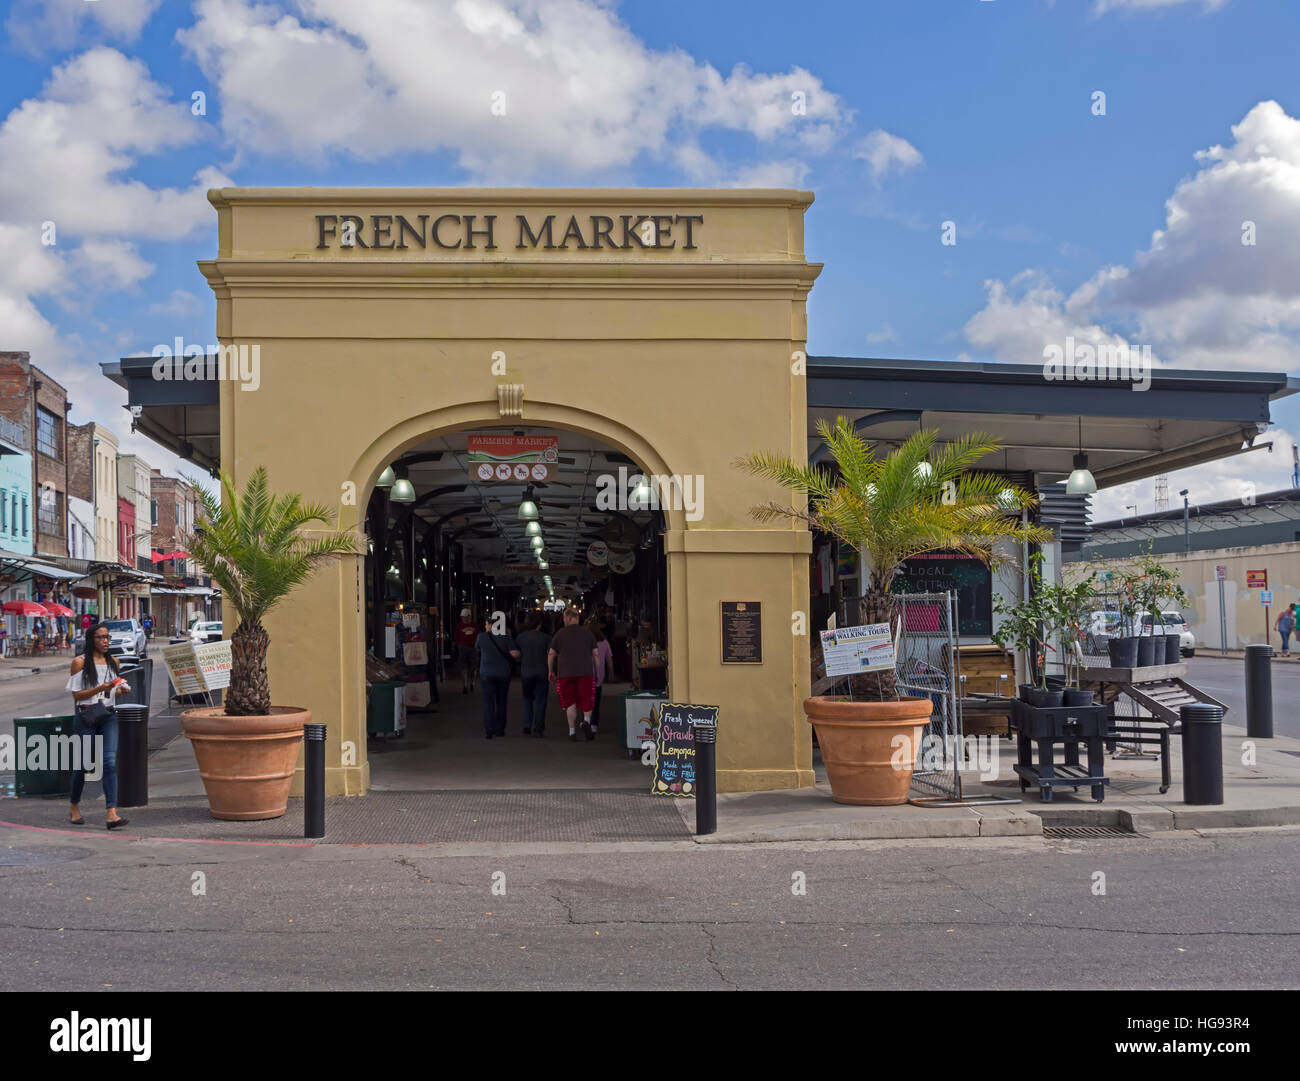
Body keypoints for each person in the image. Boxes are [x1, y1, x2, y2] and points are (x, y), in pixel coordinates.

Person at [66, 622, 131, 829]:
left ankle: (111, 813)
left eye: (107, 638)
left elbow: (112, 691)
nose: (105, 641)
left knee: (109, 763)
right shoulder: (79, 663)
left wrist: (119, 690)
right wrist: (99, 688)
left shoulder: (114, 662)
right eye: (101, 637)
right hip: (86, 716)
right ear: (91, 639)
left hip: (108, 715)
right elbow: (77, 695)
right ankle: (74, 806)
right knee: (83, 766)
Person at [548, 606, 600, 742]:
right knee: (587, 699)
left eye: (564, 617)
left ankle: (572, 732)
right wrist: (597, 671)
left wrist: (550, 670)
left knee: (570, 702)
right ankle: (586, 722)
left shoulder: (560, 634)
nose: (563, 620)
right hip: (586, 672)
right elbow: (596, 654)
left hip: (565, 673)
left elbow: (551, 653)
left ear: (570, 617)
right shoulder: (588, 633)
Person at [475, 613, 519, 739]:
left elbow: (477, 648)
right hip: (503, 674)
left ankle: (489, 730)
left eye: (486, 624)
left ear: (490, 625)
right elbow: (515, 654)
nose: (485, 626)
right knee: (501, 702)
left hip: (486, 674)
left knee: (488, 702)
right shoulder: (506, 637)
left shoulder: (481, 637)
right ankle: (500, 730)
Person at [516, 612, 551, 736]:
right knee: (541, 701)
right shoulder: (546, 638)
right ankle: (539, 728)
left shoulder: (520, 637)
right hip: (542, 671)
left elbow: (517, 655)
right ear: (539, 624)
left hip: (526, 671)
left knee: (527, 699)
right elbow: (550, 655)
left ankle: (527, 724)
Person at [587, 618, 614, 731]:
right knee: (596, 700)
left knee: (586, 698)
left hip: (586, 673)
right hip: (599, 674)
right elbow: (609, 659)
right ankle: (594, 724)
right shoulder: (604, 642)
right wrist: (611, 672)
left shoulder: (585, 641)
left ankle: (586, 720)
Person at [453, 608, 478, 694]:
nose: (464, 618)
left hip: (472, 648)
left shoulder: (474, 626)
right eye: (463, 616)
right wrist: (458, 645)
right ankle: (465, 686)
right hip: (463, 648)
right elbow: (456, 637)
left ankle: (472, 683)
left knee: (473, 667)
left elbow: (478, 637)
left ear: (469, 616)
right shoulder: (459, 626)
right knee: (464, 667)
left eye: (465, 616)